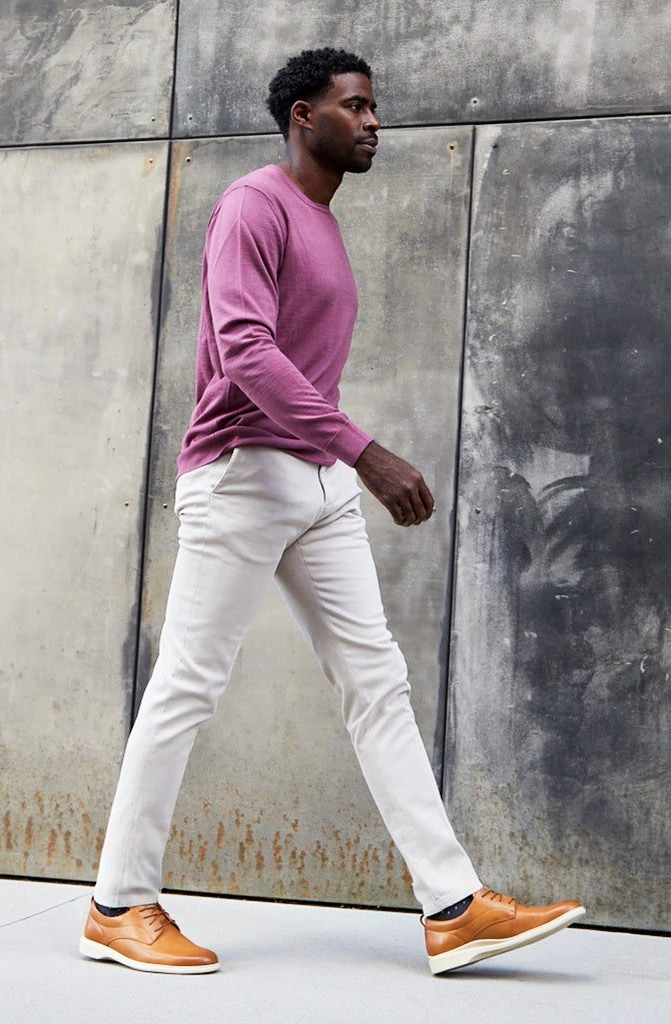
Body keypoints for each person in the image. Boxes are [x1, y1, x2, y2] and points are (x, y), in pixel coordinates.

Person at [80, 47, 584, 976]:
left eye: (375, 107)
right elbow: (244, 350)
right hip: (242, 473)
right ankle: (118, 903)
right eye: (355, 106)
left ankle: (453, 906)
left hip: (316, 484)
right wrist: (367, 452)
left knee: (376, 682)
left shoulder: (320, 220)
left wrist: (340, 462)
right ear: (303, 117)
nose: (374, 121)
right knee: (189, 685)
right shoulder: (254, 206)